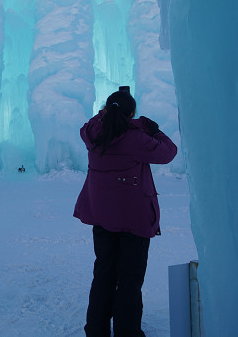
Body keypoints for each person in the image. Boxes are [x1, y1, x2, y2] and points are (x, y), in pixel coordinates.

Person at [73, 89, 177, 337]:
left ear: (106, 110)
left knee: (103, 274)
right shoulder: (135, 139)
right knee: (129, 279)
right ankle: (127, 332)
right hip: (133, 220)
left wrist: (107, 113)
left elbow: (94, 123)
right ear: (131, 114)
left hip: (102, 218)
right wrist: (154, 130)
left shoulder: (92, 133)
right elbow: (168, 152)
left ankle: (96, 330)